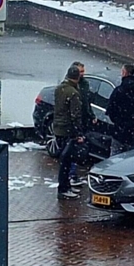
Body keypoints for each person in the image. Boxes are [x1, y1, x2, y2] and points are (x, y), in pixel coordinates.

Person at [52, 65, 86, 200]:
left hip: (58, 129)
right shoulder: (73, 93)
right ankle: (64, 188)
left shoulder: (59, 89)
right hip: (68, 131)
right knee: (66, 162)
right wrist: (78, 134)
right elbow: (75, 116)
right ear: (77, 77)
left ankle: (64, 186)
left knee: (63, 160)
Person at [106, 64, 134, 153]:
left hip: (119, 132)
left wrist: (118, 121)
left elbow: (111, 109)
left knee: (116, 158)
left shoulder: (118, 91)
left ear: (124, 73)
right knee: (132, 158)